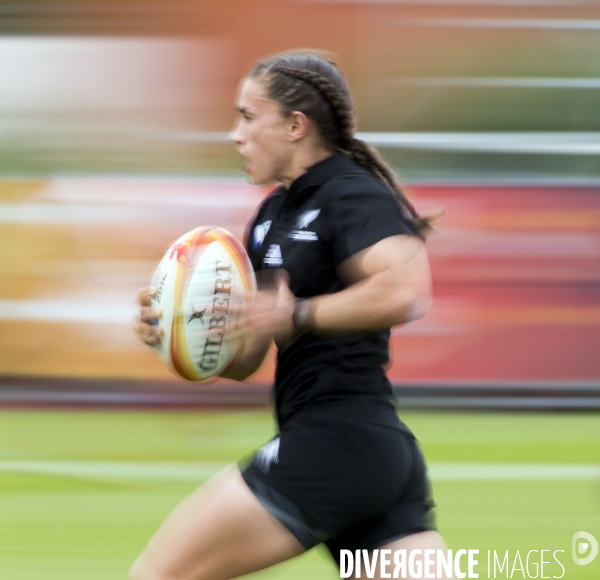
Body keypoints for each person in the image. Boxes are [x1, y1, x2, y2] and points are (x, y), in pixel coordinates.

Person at [131, 51, 450, 580]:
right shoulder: (270, 217)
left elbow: (406, 290)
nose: (236, 135)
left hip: (334, 444)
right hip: (367, 454)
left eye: (248, 117)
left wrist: (298, 314)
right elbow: (243, 357)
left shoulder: (351, 193)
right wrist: (172, 325)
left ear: (295, 126)